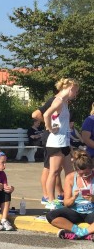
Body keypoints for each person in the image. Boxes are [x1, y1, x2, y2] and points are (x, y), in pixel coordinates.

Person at [42, 78, 79, 210]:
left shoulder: (65, 102)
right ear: (70, 88)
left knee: (70, 172)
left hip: (64, 142)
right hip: (56, 142)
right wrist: (50, 128)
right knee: (54, 171)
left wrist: (69, 144)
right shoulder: (58, 101)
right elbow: (46, 114)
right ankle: (50, 200)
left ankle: (69, 198)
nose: (76, 94)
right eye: (76, 91)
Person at [45, 150, 94, 240]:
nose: (85, 176)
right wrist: (73, 197)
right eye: (81, 174)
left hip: (91, 211)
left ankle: (81, 234)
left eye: (88, 173)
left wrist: (92, 198)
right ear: (76, 170)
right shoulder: (71, 177)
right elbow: (66, 203)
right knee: (51, 215)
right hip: (76, 211)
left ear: (92, 169)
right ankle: (80, 232)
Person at [31, 99, 63, 204]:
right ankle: (46, 196)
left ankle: (60, 193)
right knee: (49, 168)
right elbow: (35, 114)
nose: (75, 94)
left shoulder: (65, 102)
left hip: (60, 138)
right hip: (50, 138)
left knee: (57, 168)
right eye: (74, 92)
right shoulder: (55, 100)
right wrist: (48, 123)